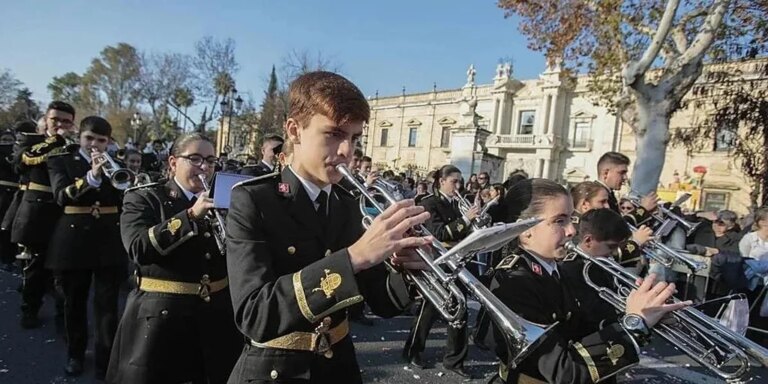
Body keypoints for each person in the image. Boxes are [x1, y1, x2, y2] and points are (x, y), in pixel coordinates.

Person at [226, 71, 430, 384]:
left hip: (339, 368)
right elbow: (254, 314)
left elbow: (383, 302)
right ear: (294, 130)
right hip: (275, 371)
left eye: (355, 138)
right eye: (334, 134)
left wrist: (408, 269)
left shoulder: (348, 204)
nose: (348, 151)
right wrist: (353, 258)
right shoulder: (254, 199)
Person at [489, 178, 690, 384]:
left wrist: (646, 313)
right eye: (559, 221)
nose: (572, 230)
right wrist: (634, 324)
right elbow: (563, 370)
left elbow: (585, 329)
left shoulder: (558, 268)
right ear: (524, 230)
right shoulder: (513, 283)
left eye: (570, 219)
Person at [107, 133, 241, 383]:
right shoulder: (145, 197)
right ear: (173, 162)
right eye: (195, 159)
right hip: (161, 318)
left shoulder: (224, 200)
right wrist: (189, 216)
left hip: (215, 317)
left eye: (210, 161)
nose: (204, 167)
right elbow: (137, 248)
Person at [45, 116, 127, 377]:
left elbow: (125, 197)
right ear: (79, 136)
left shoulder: (118, 165)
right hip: (74, 239)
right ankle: (75, 355)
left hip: (108, 240)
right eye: (89, 138)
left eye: (101, 140)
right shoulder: (61, 160)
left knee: (107, 306)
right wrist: (91, 176)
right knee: (74, 302)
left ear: (108, 142)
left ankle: (105, 362)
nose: (94, 145)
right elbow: (61, 196)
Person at [403, 164, 476, 378]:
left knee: (461, 308)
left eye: (460, 182)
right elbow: (439, 233)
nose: (458, 186)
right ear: (442, 181)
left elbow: (465, 233)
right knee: (430, 309)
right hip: (438, 261)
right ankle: (413, 350)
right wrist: (466, 219)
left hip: (459, 260)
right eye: (454, 181)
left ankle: (455, 360)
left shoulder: (458, 204)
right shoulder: (429, 203)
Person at [13, 101, 77, 329]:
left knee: (64, 271)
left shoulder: (75, 146)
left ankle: (63, 318)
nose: (60, 124)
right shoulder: (31, 141)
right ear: (46, 119)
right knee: (35, 267)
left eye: (66, 121)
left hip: (65, 213)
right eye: (55, 119)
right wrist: (55, 140)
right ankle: (30, 309)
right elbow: (22, 162)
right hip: (39, 212)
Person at [570, 181, 652, 269]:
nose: (607, 206)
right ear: (585, 204)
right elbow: (596, 257)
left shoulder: (590, 223)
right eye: (602, 202)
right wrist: (635, 243)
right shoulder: (575, 228)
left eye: (607, 201)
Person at [595, 151, 657, 226]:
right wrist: (643, 210)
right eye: (622, 173)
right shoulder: (596, 194)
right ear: (606, 173)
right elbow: (616, 227)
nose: (625, 177)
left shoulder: (608, 193)